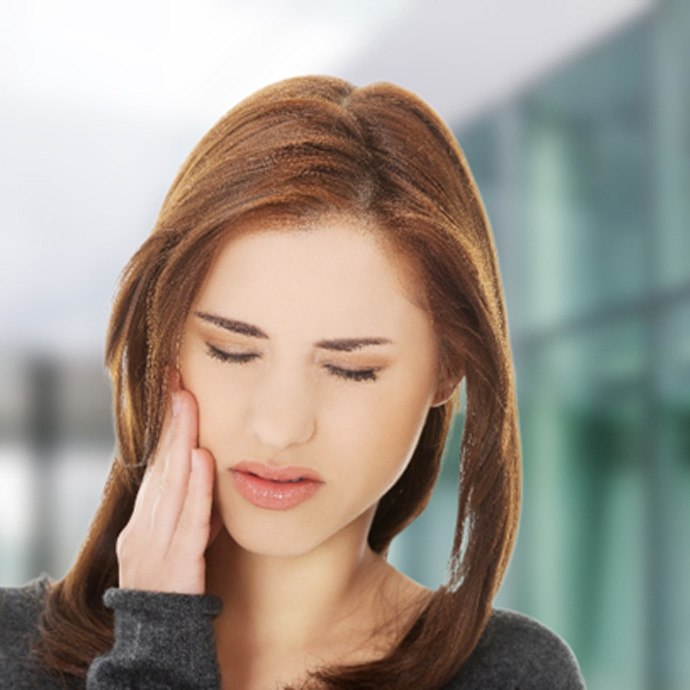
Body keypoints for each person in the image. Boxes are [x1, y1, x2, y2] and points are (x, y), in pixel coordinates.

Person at [0, 75, 585, 689]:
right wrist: (156, 635)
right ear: (164, 342)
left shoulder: (508, 675)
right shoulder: (12, 650)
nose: (280, 426)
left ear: (447, 369)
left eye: (350, 368)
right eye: (231, 351)